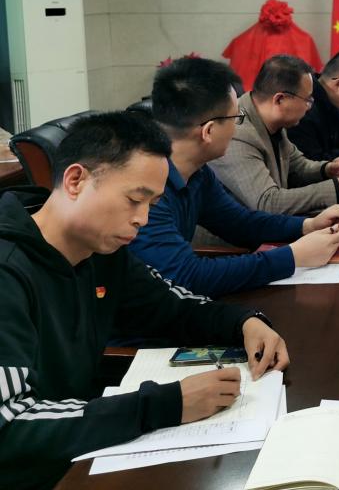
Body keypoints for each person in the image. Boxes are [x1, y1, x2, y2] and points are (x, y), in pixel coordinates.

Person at [0, 112, 290, 489]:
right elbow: (10, 426)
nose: (143, 219)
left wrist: (245, 323)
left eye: (152, 203)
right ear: (75, 181)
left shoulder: (102, 252)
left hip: (76, 457)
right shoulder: (8, 271)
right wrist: (165, 405)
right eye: (135, 200)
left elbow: (174, 308)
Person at [129, 57, 339, 298]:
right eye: (236, 118)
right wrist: (293, 257)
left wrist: (307, 225)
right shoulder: (146, 190)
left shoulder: (198, 173)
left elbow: (241, 223)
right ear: (209, 131)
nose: (238, 127)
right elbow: (187, 276)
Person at [210, 55, 339, 216]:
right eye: (307, 100)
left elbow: (298, 166)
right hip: (235, 238)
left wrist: (330, 168)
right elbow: (268, 202)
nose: (309, 107)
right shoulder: (238, 132)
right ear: (280, 100)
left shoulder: (273, 119)